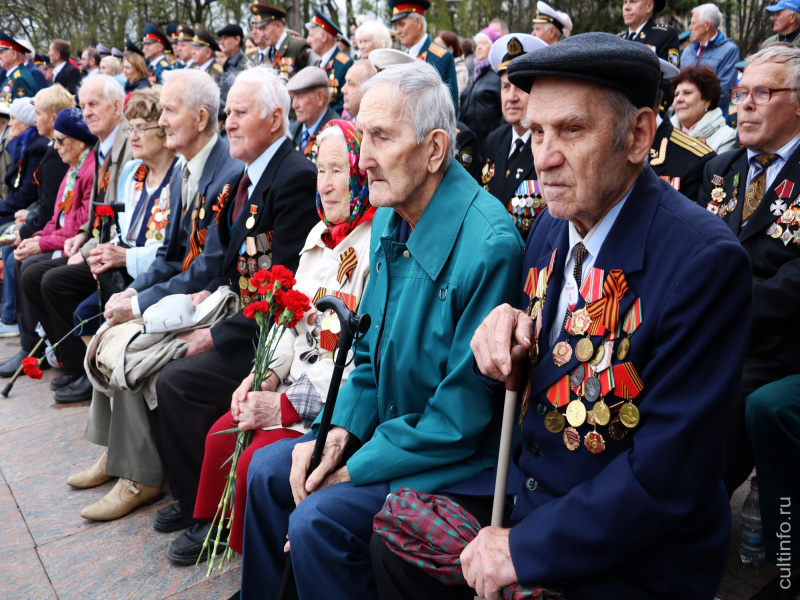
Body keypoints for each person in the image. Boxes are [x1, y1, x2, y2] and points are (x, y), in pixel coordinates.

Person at [371, 32, 752, 600]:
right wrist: (500, 336)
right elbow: (543, 363)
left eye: (572, 130)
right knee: (387, 537)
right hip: (529, 500)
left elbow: (664, 478)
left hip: (631, 557)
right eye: (537, 132)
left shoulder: (703, 263)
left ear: (639, 135)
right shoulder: (554, 223)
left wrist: (522, 551)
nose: (543, 158)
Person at [238, 58, 523, 600]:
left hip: (456, 464)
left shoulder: (489, 247)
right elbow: (365, 351)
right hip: (394, 430)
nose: (362, 159)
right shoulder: (394, 210)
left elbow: (459, 419)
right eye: (361, 136)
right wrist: (337, 433)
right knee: (268, 473)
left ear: (435, 149)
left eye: (381, 138)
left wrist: (355, 466)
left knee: (318, 517)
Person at [131, 66, 318, 565]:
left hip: (267, 336)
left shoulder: (293, 177)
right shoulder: (255, 176)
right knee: (163, 369)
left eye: (239, 113)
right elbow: (234, 269)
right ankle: (194, 500)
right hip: (241, 317)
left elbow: (287, 286)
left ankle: (211, 518)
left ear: (276, 119)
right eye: (228, 112)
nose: (228, 122)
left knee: (180, 383)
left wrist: (219, 334)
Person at [194, 118, 373, 555]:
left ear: (361, 172)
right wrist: (265, 378)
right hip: (294, 385)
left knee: (258, 461)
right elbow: (291, 321)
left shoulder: (374, 244)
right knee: (222, 431)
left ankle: (260, 563)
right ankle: (224, 538)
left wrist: (284, 404)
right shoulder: (317, 236)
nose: (327, 185)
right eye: (321, 171)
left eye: (339, 171)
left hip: (329, 408)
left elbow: (357, 361)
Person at [66, 87, 179, 522]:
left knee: (118, 334)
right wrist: (108, 250)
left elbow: (173, 250)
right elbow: (134, 234)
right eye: (129, 127)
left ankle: (138, 470)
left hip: (158, 282)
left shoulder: (180, 176)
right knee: (100, 319)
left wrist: (126, 265)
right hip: (137, 275)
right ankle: (116, 454)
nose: (134, 135)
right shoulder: (135, 173)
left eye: (142, 127)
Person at [697, 45, 800, 497]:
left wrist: (726, 316)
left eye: (763, 92)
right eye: (742, 92)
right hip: (712, 327)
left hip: (778, 342)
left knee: (720, 406)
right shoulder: (721, 169)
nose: (746, 104)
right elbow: (694, 253)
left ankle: (693, 516)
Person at [0, 75, 132, 399]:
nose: (86, 112)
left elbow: (112, 211)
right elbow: (70, 217)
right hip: (93, 242)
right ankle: (65, 360)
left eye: (93, 104)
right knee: (29, 269)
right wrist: (81, 235)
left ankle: (78, 367)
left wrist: (74, 240)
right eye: (83, 104)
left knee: (46, 277)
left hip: (118, 250)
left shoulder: (116, 149)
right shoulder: (98, 151)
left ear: (117, 106)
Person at [0, 108, 97, 376]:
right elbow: (56, 220)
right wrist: (38, 237)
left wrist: (40, 244)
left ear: (78, 141)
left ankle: (63, 355)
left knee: (32, 268)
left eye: (61, 140)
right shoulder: (72, 170)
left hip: (77, 247)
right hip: (64, 241)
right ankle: (34, 344)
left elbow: (77, 227)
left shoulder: (87, 171)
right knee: (21, 258)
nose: (55, 147)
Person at [0, 86, 72, 339]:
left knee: (14, 255)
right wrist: (29, 222)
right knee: (12, 245)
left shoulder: (52, 153)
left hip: (61, 234)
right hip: (45, 222)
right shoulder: (47, 147)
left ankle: (26, 332)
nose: (34, 119)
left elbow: (52, 209)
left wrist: (29, 230)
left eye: (38, 113)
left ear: (53, 118)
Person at [482, 34, 547, 240]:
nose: (511, 97)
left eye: (520, 87)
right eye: (505, 87)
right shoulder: (494, 140)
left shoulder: (548, 144)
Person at [389, 0, 459, 117]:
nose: (398, 31)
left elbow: (450, 109)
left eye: (401, 24)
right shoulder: (399, 58)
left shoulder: (441, 56)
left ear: (417, 22)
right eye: (396, 25)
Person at [680, 4, 740, 117]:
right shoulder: (688, 51)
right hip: (684, 120)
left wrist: (694, 108)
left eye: (693, 23)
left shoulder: (729, 50)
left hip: (712, 122)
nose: (689, 28)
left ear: (707, 25)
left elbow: (722, 91)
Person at [670, 65, 737, 153]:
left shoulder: (726, 137)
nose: (679, 99)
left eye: (687, 93)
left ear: (706, 101)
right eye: (676, 94)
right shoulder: (662, 133)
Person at [459, 27, 502, 153]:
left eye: (484, 44)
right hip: (469, 144)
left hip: (488, 144)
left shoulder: (497, 75)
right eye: (477, 44)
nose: (478, 47)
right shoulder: (475, 73)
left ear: (494, 47)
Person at [246, 2, 311, 80]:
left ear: (278, 26)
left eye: (264, 28)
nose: (262, 34)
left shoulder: (298, 47)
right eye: (260, 29)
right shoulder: (269, 52)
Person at [288, 66, 339, 161]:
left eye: (300, 97)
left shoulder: (336, 134)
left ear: (320, 97)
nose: (294, 105)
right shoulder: (292, 130)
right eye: (293, 98)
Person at [306, 9, 352, 114]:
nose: (308, 40)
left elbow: (344, 104)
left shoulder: (345, 63)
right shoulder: (317, 64)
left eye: (311, 35)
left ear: (323, 36)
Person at [0, 33, 38, 105]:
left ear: (14, 54)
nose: (0, 56)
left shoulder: (19, 79)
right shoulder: (13, 75)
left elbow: (21, 111)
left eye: (1, 53)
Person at [434, 31, 468, 95]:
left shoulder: (461, 70)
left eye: (438, 47)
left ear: (450, 49)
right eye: (434, 47)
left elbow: (458, 98)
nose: (434, 51)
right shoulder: (436, 67)